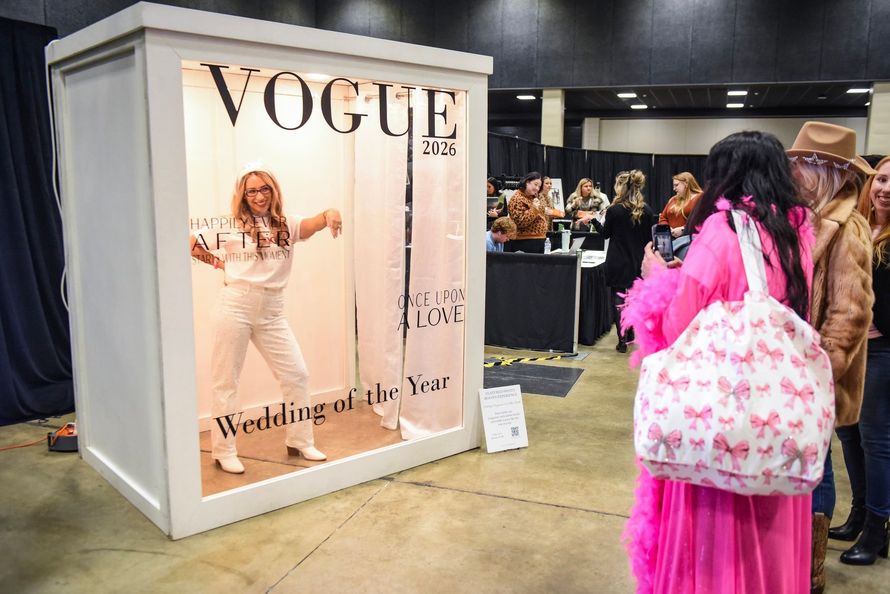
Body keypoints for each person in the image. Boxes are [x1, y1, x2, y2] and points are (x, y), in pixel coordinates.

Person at [621, 131, 815, 593]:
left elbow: (678, 326)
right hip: (776, 420)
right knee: (769, 539)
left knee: (716, 548)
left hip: (721, 424)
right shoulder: (797, 233)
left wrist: (656, 280)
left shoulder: (722, 230)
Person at [190, 166, 343, 474]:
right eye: (252, 191)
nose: (258, 196)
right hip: (235, 304)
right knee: (226, 382)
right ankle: (224, 451)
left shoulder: (287, 224)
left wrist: (330, 212)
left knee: (296, 374)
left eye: (264, 189)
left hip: (272, 309)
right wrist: (218, 262)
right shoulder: (228, 224)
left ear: (274, 191)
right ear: (243, 195)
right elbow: (191, 241)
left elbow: (314, 223)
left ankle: (300, 440)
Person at [786, 121, 876, 592]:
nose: (798, 170)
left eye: (808, 163)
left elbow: (850, 314)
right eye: (798, 161)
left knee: (815, 470)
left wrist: (819, 370)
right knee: (803, 465)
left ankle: (810, 569)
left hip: (816, 377)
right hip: (793, 372)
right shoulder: (805, 217)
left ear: (830, 172)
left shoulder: (848, 228)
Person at [831, 155, 890, 567]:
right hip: (853, 351)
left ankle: (877, 527)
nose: (885, 188)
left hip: (881, 351)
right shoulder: (861, 227)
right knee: (848, 435)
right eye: (881, 180)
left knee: (876, 441)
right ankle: (858, 512)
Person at [591, 170, 655, 352]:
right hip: (639, 261)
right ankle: (632, 333)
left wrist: (594, 221)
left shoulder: (614, 210)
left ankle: (621, 339)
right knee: (635, 298)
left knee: (618, 299)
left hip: (618, 261)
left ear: (621, 187)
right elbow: (649, 238)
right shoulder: (647, 210)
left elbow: (605, 234)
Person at [506, 171, 548, 253]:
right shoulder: (517, 199)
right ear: (527, 182)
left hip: (539, 240)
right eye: (535, 184)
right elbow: (520, 222)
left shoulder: (534, 197)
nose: (537, 188)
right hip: (525, 242)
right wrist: (534, 209)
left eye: (539, 186)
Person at [658, 171, 703, 237]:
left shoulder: (700, 198)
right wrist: (667, 229)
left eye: (676, 185)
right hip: (670, 240)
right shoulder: (673, 199)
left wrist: (683, 229)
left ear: (686, 183)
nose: (674, 189)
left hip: (689, 241)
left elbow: (701, 220)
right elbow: (663, 218)